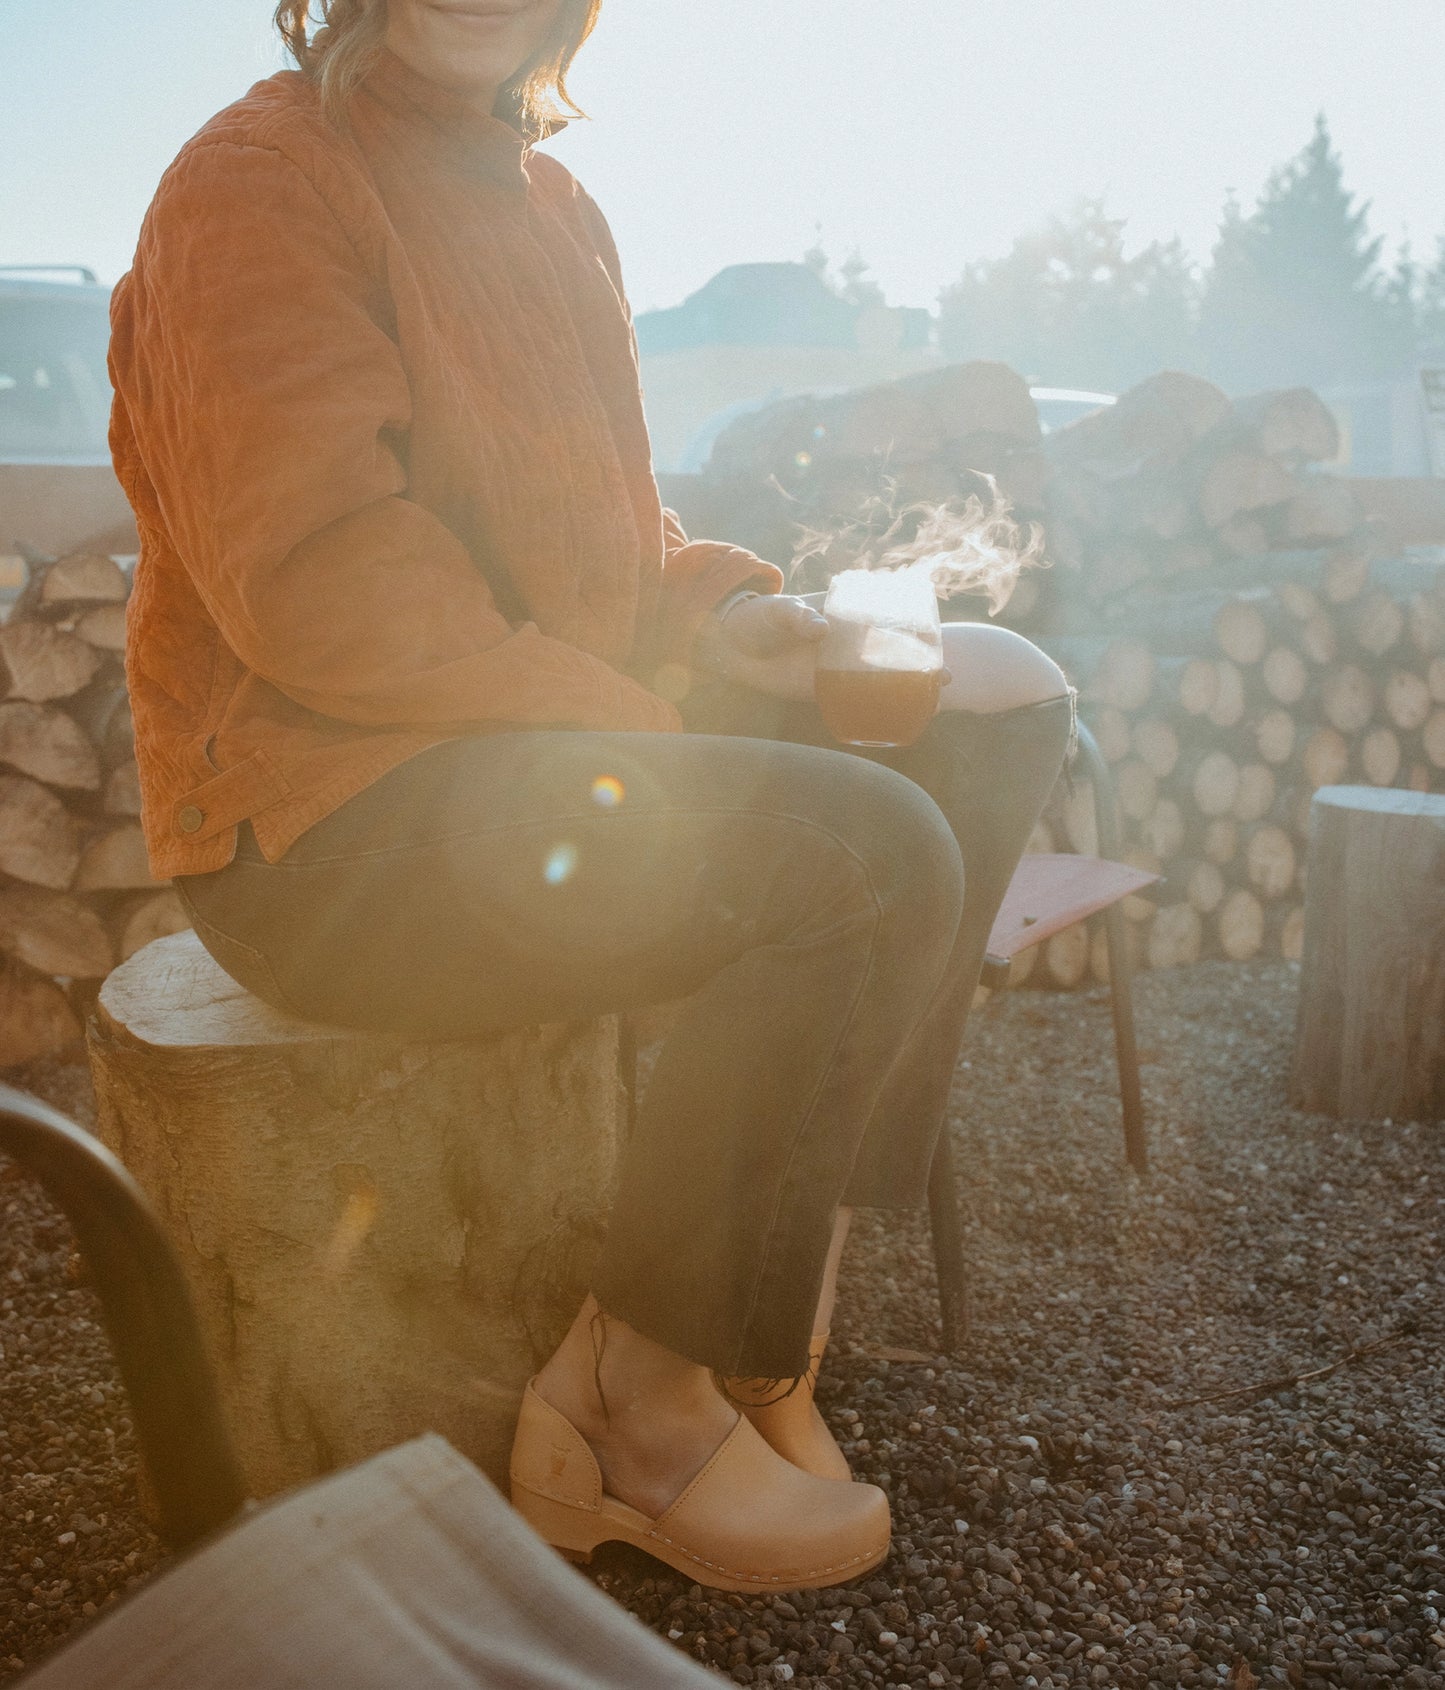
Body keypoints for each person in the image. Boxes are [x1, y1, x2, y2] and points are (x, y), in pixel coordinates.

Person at [108, 0, 1073, 1594]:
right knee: (860, 853)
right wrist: (637, 713)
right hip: (329, 824)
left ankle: (764, 1320)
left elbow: (592, 532)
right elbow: (325, 579)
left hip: (522, 760)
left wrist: (713, 616)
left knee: (990, 706)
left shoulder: (552, 204)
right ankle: (625, 1408)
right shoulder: (258, 180)